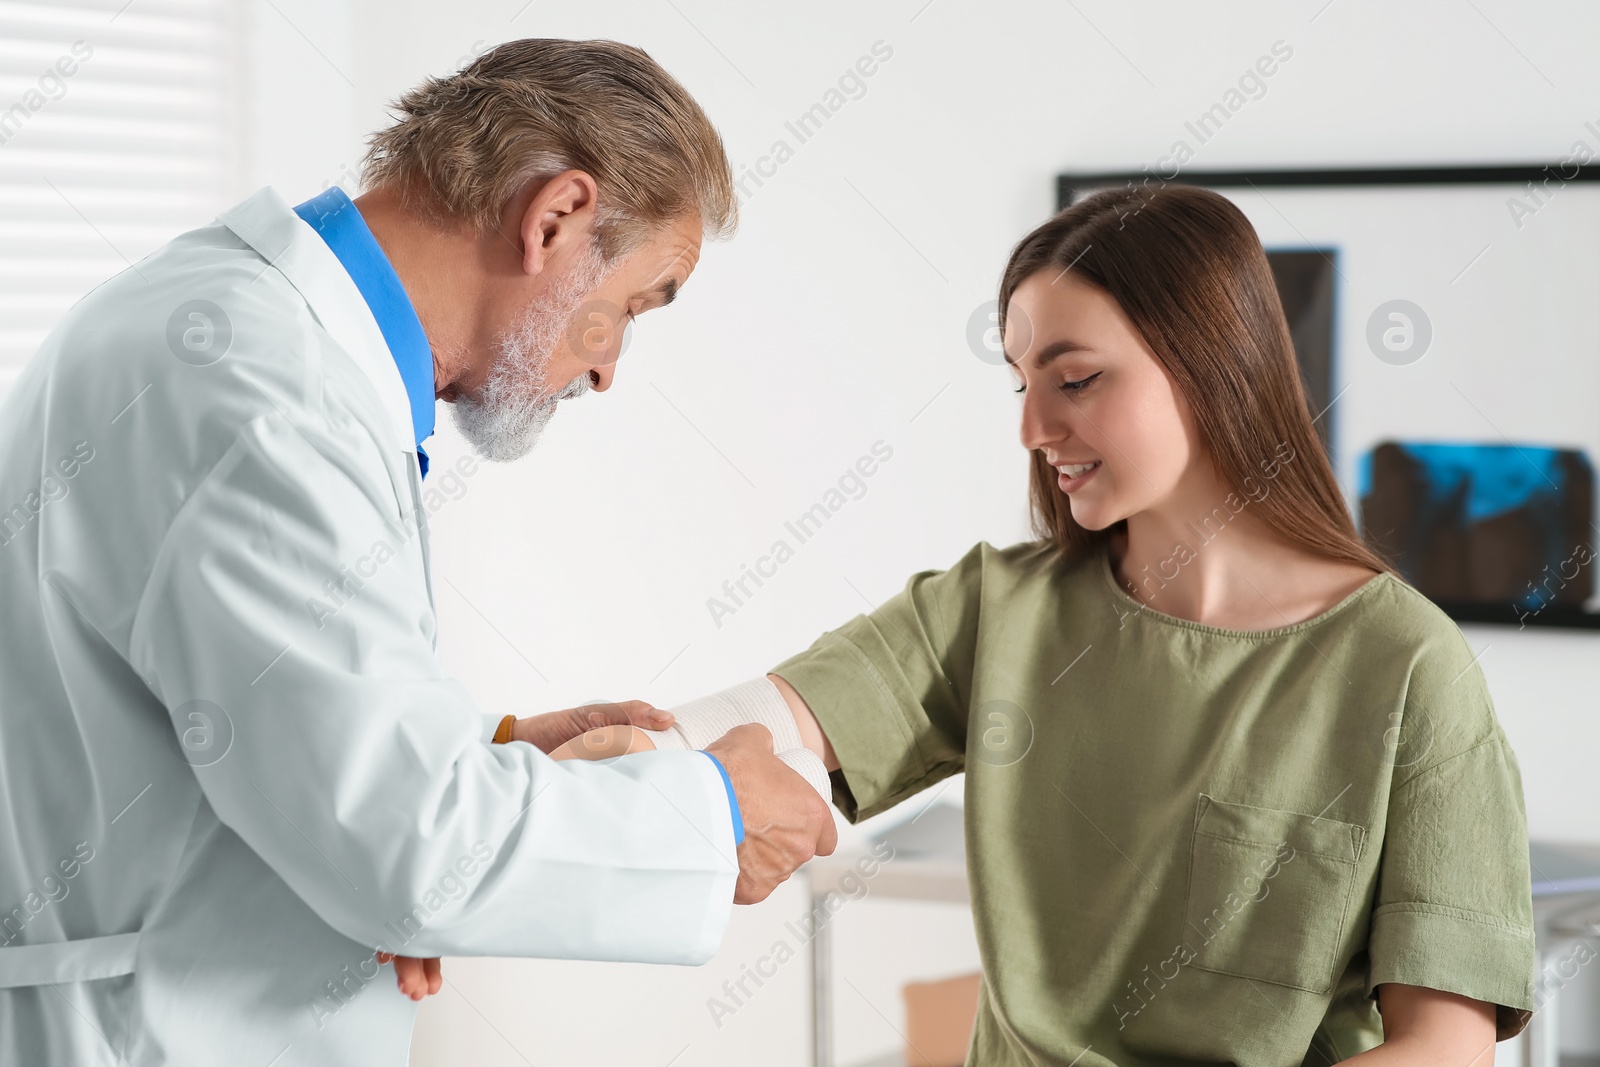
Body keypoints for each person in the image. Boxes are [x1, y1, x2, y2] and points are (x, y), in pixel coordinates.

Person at [542, 185, 1539, 1063]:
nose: (1031, 428)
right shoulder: (997, 610)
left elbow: (1444, 1047)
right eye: (1023, 385)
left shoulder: (1404, 666)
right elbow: (719, 734)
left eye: (1074, 380)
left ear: (1209, 363)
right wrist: (470, 843)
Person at [0, 39, 834, 1066]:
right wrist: (713, 811)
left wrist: (481, 748)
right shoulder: (266, 396)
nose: (610, 367)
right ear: (556, 218)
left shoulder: (242, 331)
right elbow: (402, 844)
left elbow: (263, 729)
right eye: (629, 306)